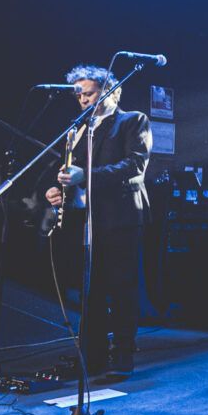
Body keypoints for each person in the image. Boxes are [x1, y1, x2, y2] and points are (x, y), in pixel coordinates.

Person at [45, 65, 152, 381]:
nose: (83, 99)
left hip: (120, 217)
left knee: (121, 287)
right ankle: (91, 356)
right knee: (90, 290)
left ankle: (122, 356)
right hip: (84, 219)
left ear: (112, 91)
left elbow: (134, 164)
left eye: (89, 93)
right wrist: (56, 190)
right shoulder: (78, 129)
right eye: (79, 94)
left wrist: (86, 177)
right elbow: (68, 171)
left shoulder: (132, 121)